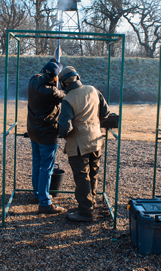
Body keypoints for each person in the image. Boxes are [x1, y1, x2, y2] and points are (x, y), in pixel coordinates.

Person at [58, 66, 110, 222]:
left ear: (63, 84)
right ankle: (89, 204)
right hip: (96, 141)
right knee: (93, 175)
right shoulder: (93, 90)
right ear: (77, 77)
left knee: (82, 179)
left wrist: (60, 130)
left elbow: (65, 129)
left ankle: (85, 212)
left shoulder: (67, 100)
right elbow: (105, 113)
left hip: (79, 145)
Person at [27, 52, 66, 214]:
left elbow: (43, 71)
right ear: (54, 79)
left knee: (37, 164)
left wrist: (54, 61)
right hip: (47, 134)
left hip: (34, 131)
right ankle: (44, 201)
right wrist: (60, 83)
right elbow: (65, 94)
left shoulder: (33, 80)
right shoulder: (52, 92)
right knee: (46, 169)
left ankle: (38, 194)